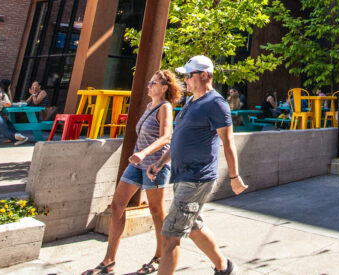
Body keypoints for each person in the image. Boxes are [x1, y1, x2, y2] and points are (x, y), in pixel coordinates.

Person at [147, 55, 247, 275]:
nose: (185, 80)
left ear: (204, 75)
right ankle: (225, 267)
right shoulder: (190, 102)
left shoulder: (217, 104)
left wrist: (234, 176)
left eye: (188, 75)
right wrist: (161, 162)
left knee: (170, 235)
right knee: (193, 226)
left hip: (197, 177)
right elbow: (180, 138)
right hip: (181, 174)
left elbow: (228, 142)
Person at [83, 70, 181, 275]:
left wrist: (144, 153)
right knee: (117, 204)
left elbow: (166, 137)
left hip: (155, 164)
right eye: (149, 82)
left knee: (156, 210)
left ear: (164, 88)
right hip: (137, 164)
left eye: (153, 83)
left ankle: (160, 255)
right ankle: (109, 261)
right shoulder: (149, 106)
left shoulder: (165, 107)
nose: (148, 86)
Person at [0, 79, 28, 145]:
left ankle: (15, 137)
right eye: (9, 87)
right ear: (7, 86)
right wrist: (9, 93)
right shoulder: (3, 95)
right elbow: (9, 104)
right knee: (5, 126)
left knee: (8, 124)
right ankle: (17, 137)